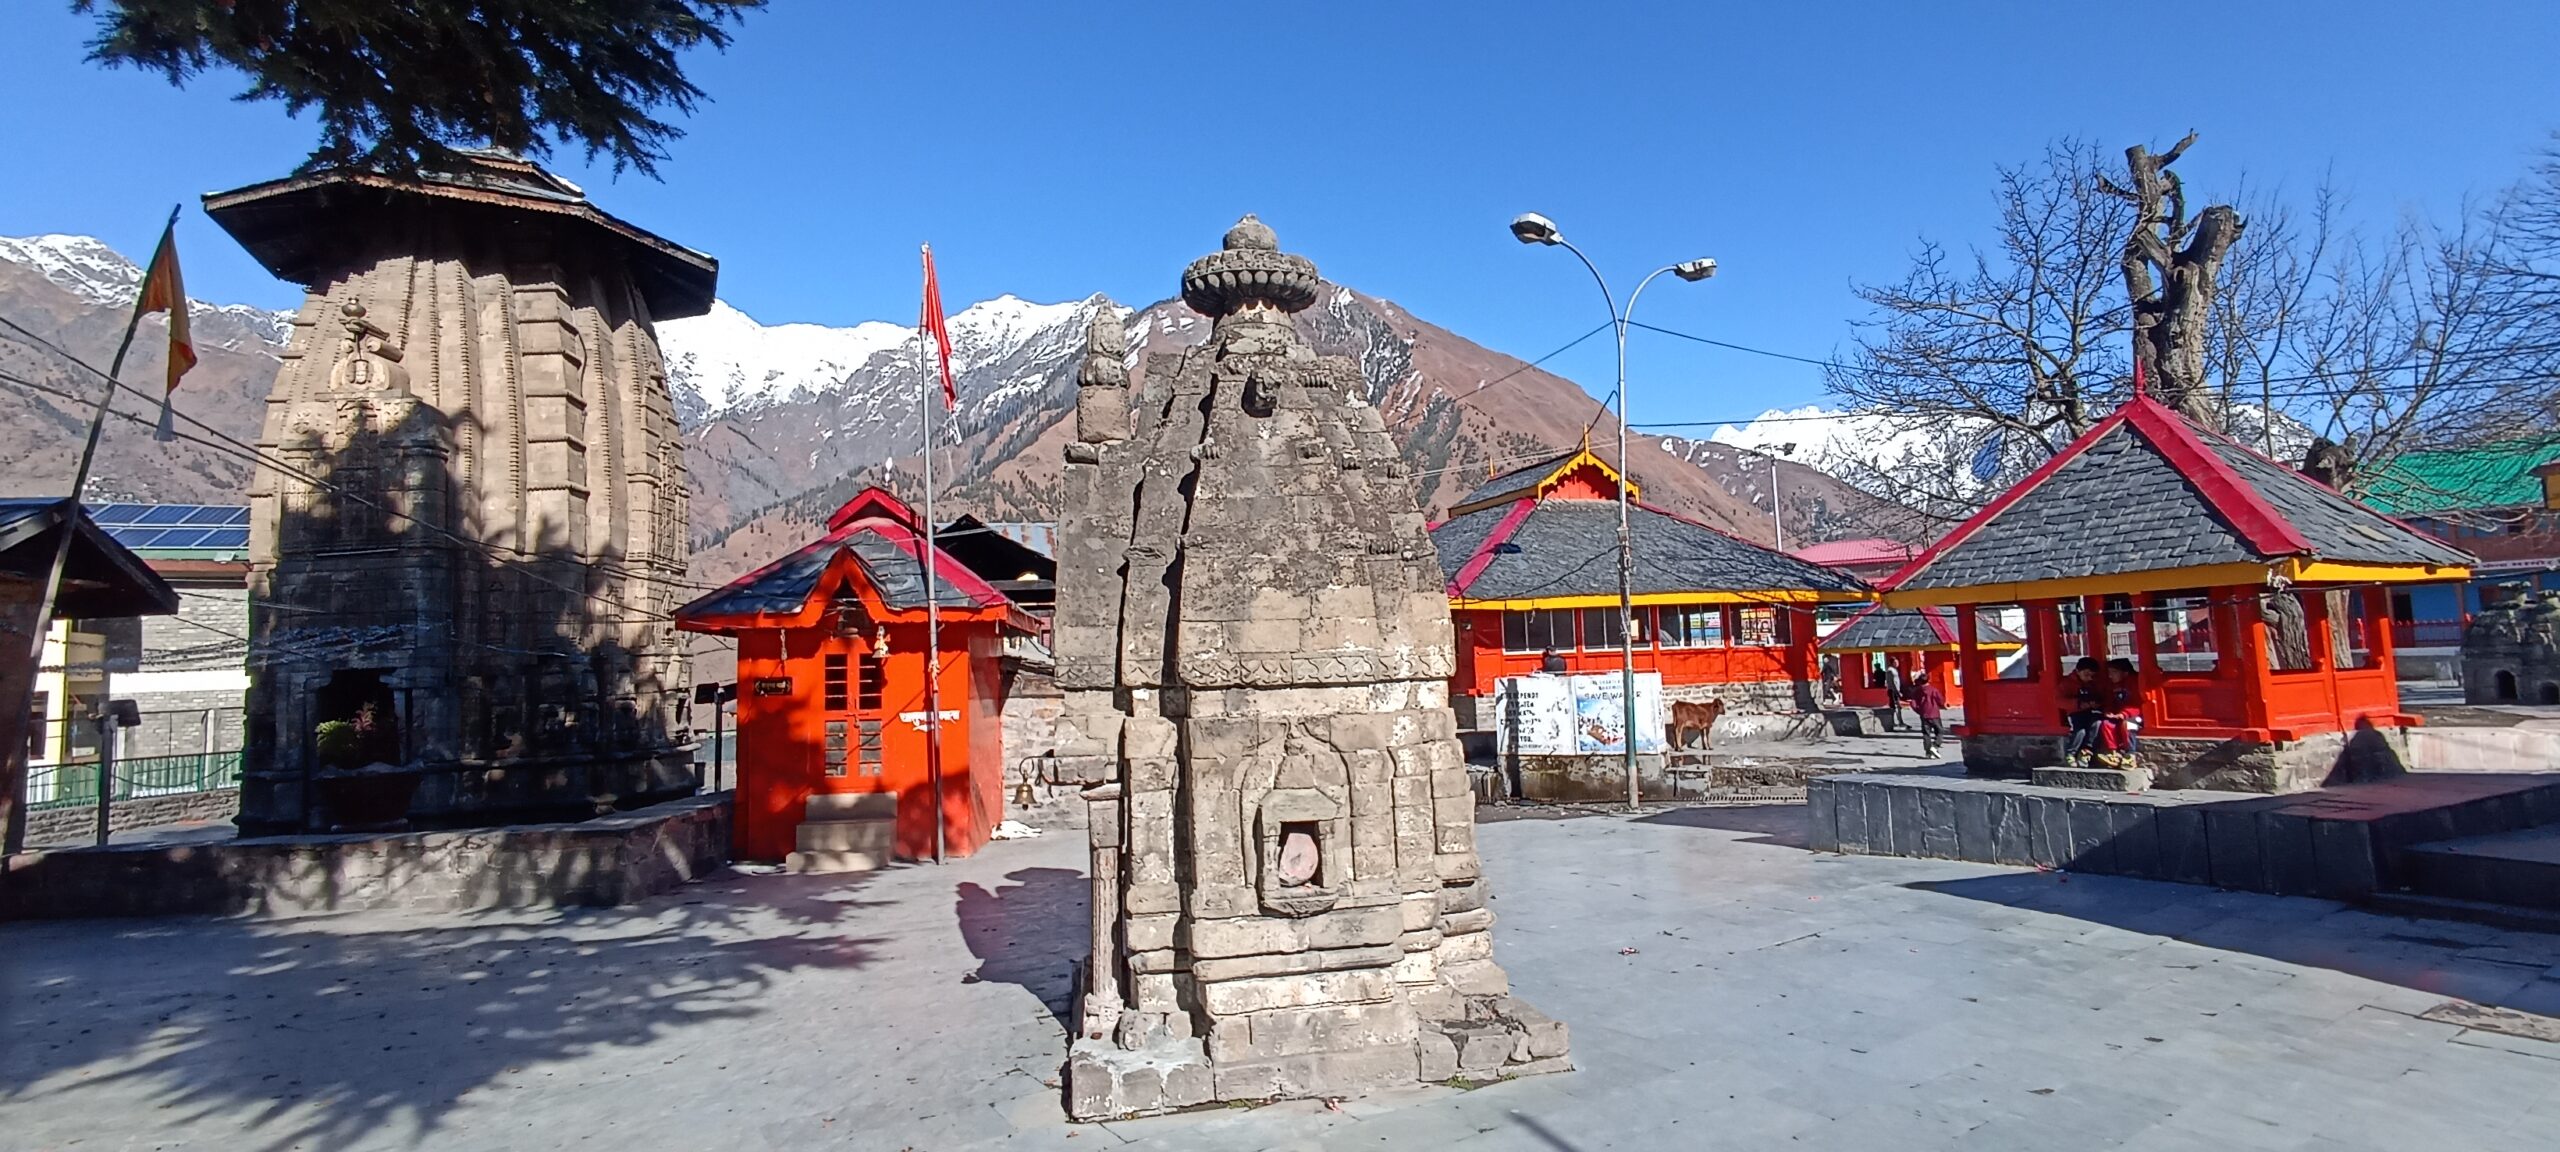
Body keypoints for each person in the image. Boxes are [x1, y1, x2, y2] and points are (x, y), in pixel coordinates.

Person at [2061, 657, 2104, 767]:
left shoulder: (2093, 683)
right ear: (2077, 671)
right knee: (2081, 731)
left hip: (2091, 712)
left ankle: (2086, 751)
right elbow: (2060, 700)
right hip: (2075, 713)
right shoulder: (2068, 683)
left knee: (2097, 724)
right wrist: (2079, 704)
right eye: (2086, 674)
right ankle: (2071, 754)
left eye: (2092, 675)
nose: (2089, 678)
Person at [2099, 657, 2143, 767]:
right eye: (2109, 672)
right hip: (2119, 715)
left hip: (2138, 716)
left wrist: (2124, 714)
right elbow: (2109, 702)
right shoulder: (2112, 685)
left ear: (2125, 673)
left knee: (2128, 724)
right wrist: (2108, 712)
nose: (2110, 675)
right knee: (2106, 724)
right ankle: (2114, 754)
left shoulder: (2135, 683)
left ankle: (2130, 755)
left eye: (2114, 672)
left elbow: (2138, 704)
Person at [1909, 671, 1947, 758]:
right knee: (1940, 731)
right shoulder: (1933, 690)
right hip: (1934, 713)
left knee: (1926, 733)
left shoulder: (1917, 691)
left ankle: (1928, 753)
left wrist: (1918, 710)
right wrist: (1943, 706)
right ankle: (1935, 746)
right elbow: (1940, 700)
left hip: (1924, 714)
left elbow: (1913, 703)